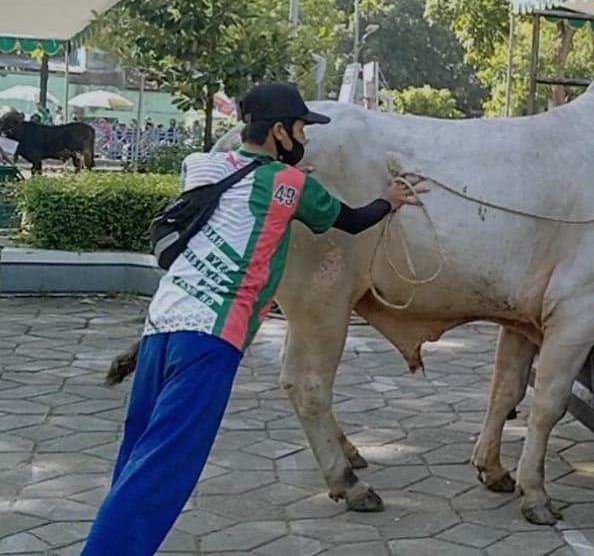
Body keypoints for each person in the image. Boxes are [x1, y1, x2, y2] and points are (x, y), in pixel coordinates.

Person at [82, 82, 423, 556]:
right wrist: (390, 198)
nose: (306, 139)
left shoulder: (203, 166)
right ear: (280, 131)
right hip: (211, 339)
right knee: (162, 473)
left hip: (161, 327)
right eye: (302, 129)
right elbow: (351, 220)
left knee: (138, 457)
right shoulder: (289, 184)